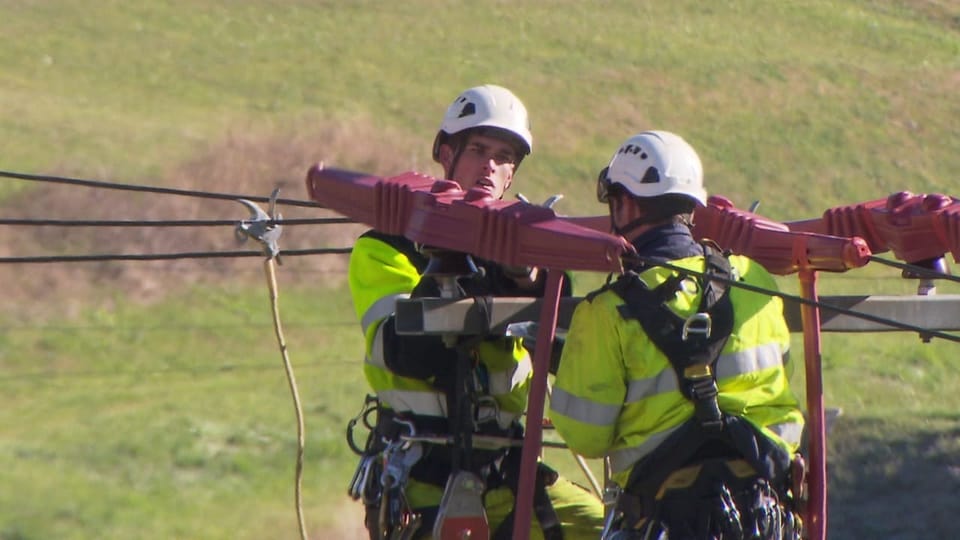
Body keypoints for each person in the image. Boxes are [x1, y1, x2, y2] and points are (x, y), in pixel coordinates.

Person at [347, 84, 604, 539]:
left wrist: (532, 279)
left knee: (610, 528)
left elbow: (575, 356)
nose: (491, 165)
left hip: (509, 470)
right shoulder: (386, 248)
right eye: (479, 149)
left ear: (513, 174)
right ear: (446, 153)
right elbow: (407, 354)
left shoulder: (524, 256)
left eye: (504, 156)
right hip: (424, 476)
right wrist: (444, 257)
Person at [550, 131, 806, 539]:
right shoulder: (752, 279)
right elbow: (782, 372)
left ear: (626, 203)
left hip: (663, 519)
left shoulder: (605, 312)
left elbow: (586, 435)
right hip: (765, 514)